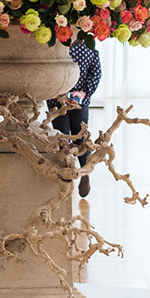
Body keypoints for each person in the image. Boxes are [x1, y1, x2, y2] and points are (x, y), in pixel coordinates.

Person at [50, 40, 102, 198]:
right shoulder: (88, 45)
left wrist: (61, 93)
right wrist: (84, 92)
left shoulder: (56, 44)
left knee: (62, 139)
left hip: (57, 99)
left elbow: (51, 70)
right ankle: (84, 172)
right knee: (81, 139)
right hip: (79, 99)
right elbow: (96, 72)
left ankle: (66, 177)